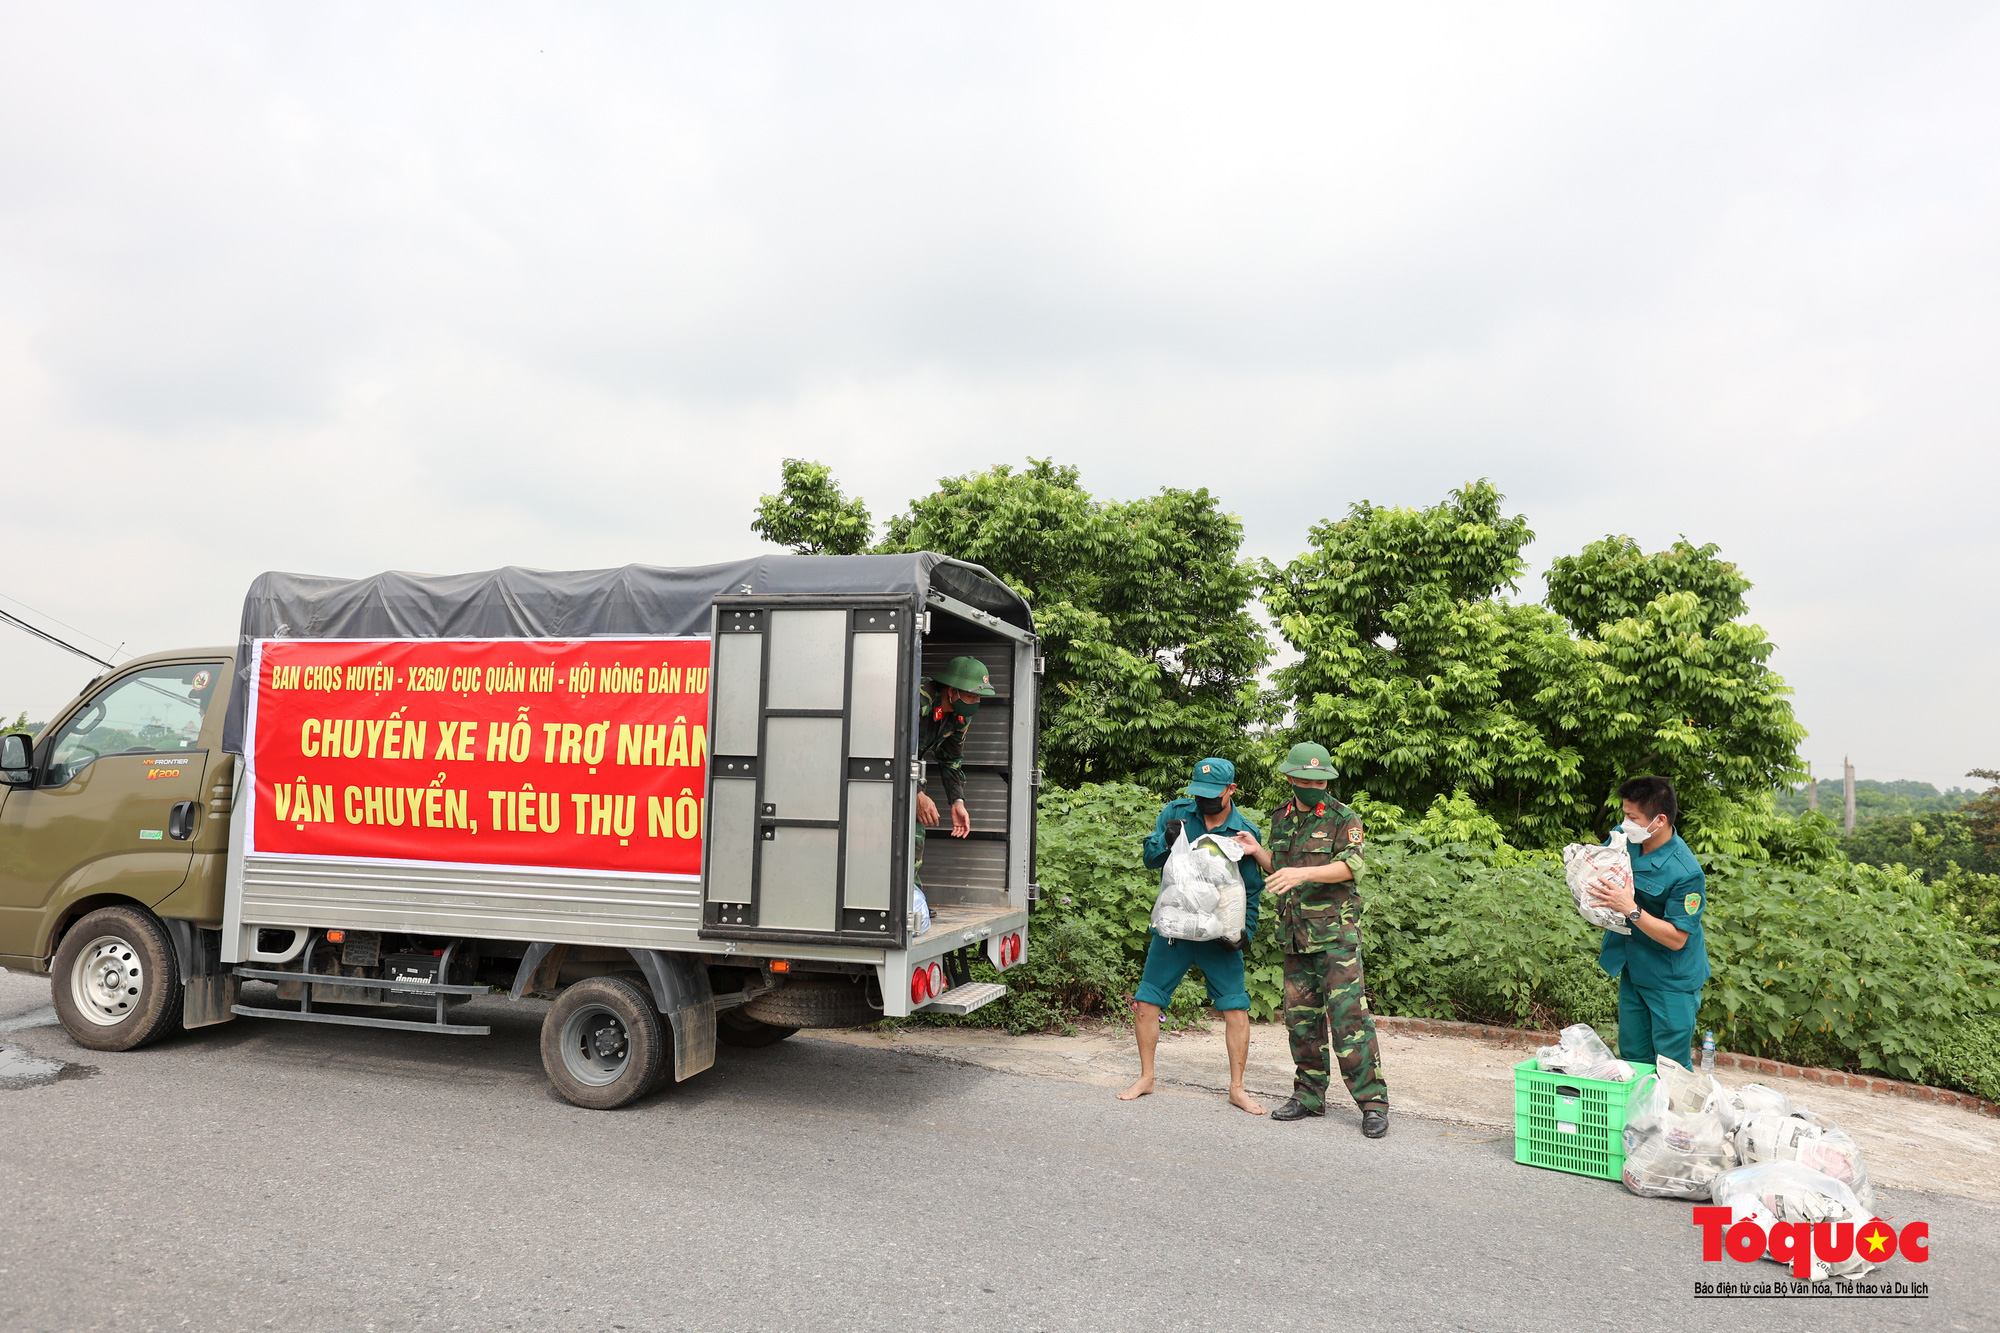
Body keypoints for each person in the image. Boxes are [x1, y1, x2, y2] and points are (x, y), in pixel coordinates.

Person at [1238, 742, 1388, 1137]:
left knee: (1349, 1022)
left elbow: (1352, 866)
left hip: (1336, 936)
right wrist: (1257, 852)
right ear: (1290, 778)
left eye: (1319, 780)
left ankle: (1372, 1103)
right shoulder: (1281, 818)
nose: (1312, 786)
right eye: (1305, 779)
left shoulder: (1343, 817)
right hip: (1295, 935)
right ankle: (1308, 1096)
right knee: (1301, 1022)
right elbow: (1282, 869)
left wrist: (1303, 875)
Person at [1119, 757, 1267, 1115]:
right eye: (1199, 793)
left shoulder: (1243, 831)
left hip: (1219, 933)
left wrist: (1246, 930)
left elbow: (1250, 887)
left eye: (1212, 794)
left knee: (1236, 1006)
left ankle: (1237, 1088)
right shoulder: (1177, 812)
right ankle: (1147, 1078)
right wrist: (1167, 841)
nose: (1204, 800)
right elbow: (1151, 860)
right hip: (1175, 928)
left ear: (1231, 790)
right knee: (1147, 1001)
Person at [1586, 775, 1710, 1069]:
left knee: (1670, 1066)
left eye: (1632, 817)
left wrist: (1631, 909)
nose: (1624, 822)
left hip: (1671, 978)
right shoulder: (1624, 838)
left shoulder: (1686, 872)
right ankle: (1636, 1115)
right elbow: (1602, 871)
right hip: (1634, 967)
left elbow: (1677, 938)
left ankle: (1672, 1116)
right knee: (1633, 1058)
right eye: (1624, 815)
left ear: (1659, 820)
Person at [912, 656, 995, 920]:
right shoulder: (919, 700)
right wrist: (916, 793)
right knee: (912, 826)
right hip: (882, 770)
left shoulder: (958, 717)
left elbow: (951, 760)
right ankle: (905, 902)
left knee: (915, 830)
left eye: (979, 697)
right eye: (971, 696)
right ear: (952, 690)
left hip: (908, 772)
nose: (975, 703)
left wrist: (957, 802)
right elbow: (889, 746)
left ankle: (912, 901)